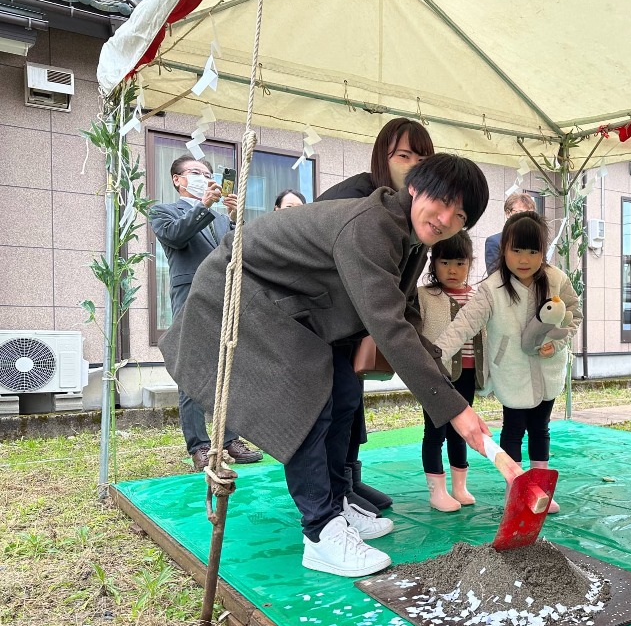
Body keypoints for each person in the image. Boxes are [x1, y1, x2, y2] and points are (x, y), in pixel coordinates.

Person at [159, 154, 494, 578]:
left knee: (345, 397)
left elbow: (405, 313)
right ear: (415, 188)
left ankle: (336, 505)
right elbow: (388, 327)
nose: (445, 218)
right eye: (441, 201)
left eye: (460, 214)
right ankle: (320, 532)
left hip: (297, 307)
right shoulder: (371, 224)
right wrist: (454, 409)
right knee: (307, 403)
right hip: (246, 291)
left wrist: (443, 383)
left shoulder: (411, 239)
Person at [313, 118, 435, 515]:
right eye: (404, 156)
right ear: (382, 159)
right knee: (336, 402)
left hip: (351, 322)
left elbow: (403, 282)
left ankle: (347, 482)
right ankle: (329, 501)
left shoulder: (411, 209)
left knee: (351, 402)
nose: (414, 165)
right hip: (317, 316)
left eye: (423, 158)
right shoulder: (358, 198)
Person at [435, 212, 581, 514]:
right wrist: (435, 356)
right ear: (504, 250)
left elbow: (573, 315)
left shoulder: (556, 279)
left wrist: (558, 342)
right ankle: (514, 489)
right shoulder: (492, 289)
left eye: (533, 251)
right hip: (512, 373)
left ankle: (541, 489)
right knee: (513, 431)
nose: (524, 259)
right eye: (517, 250)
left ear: (543, 252)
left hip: (548, 370)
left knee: (541, 428)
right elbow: (464, 323)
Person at [149, 155, 263, 471]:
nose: (204, 177)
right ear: (177, 179)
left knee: (229, 367)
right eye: (196, 172)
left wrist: (238, 217)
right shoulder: (163, 211)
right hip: (191, 298)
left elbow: (248, 249)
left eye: (208, 174)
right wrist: (203, 206)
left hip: (226, 297)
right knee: (192, 371)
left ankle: (229, 439)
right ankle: (198, 446)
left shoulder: (221, 218)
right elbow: (174, 236)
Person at [416, 231, 485, 511]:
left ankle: (459, 486)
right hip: (435, 376)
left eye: (460, 262)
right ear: (433, 263)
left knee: (461, 431)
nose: (453, 270)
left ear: (470, 263)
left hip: (467, 376)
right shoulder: (424, 296)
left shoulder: (478, 297)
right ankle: (437, 491)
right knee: (435, 432)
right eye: (445, 263)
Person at [484, 193, 537, 275]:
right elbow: (495, 276)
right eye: (521, 213)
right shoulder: (495, 242)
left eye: (530, 214)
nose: (526, 218)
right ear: (508, 214)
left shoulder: (537, 241)